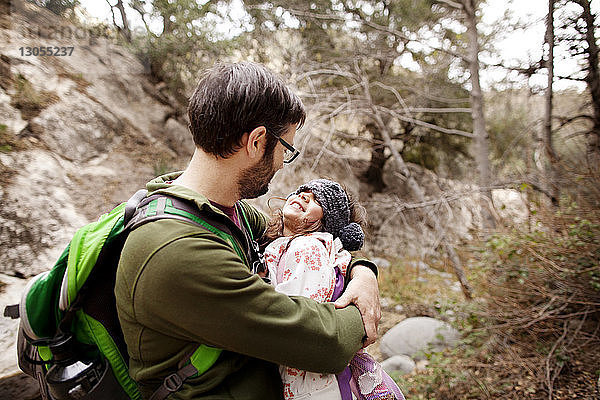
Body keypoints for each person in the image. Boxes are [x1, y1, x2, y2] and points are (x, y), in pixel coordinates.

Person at [115, 62, 381, 399]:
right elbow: (329, 343)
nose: (283, 164)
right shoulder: (177, 249)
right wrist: (362, 306)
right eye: (286, 150)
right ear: (256, 141)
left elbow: (311, 236)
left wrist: (363, 273)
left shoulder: (221, 210)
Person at [262, 179, 405, 400]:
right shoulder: (287, 245)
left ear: (325, 221)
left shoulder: (307, 248)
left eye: (318, 200)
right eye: (303, 192)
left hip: (308, 385)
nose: (305, 197)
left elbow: (295, 320)